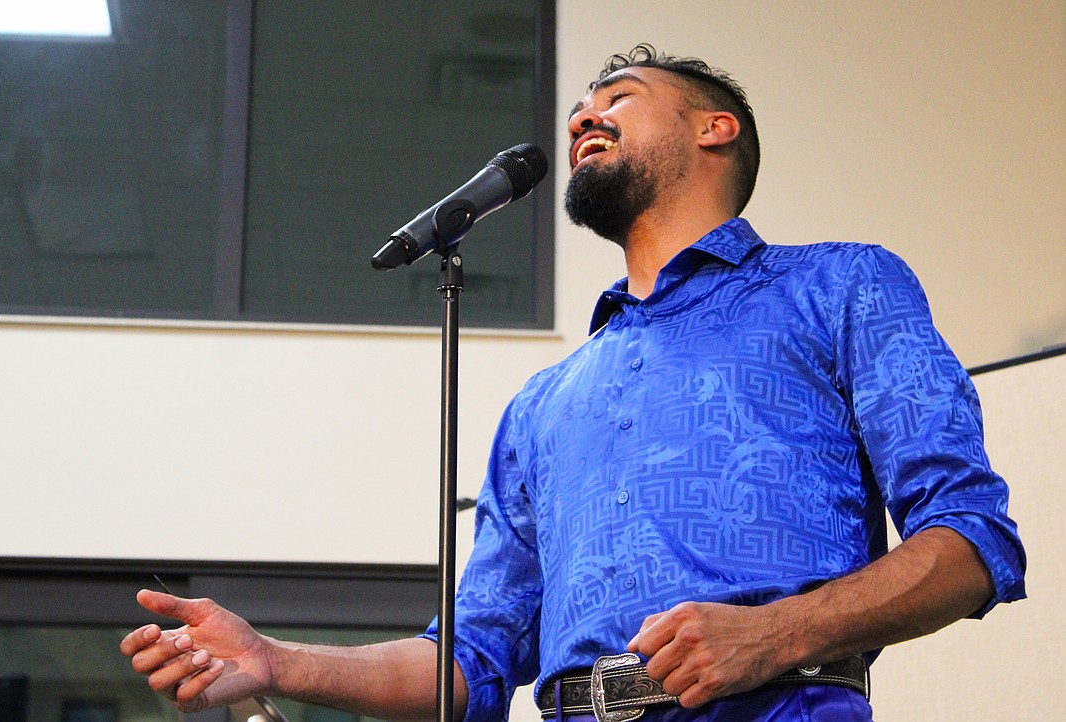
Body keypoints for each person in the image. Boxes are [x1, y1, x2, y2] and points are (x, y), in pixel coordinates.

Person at [121, 44, 1026, 721]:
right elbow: (472, 660)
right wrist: (275, 662)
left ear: (718, 128)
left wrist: (772, 634)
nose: (584, 118)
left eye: (619, 100)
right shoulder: (541, 406)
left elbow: (972, 541)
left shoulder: (841, 285)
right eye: (579, 111)